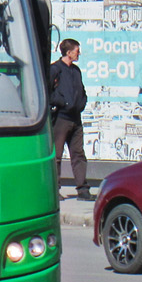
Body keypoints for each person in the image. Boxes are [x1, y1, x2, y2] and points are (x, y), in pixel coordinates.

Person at [49, 38, 91, 200]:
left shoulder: (76, 71)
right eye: (77, 50)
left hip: (76, 119)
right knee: (57, 155)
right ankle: (54, 190)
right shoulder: (55, 69)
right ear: (68, 52)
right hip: (61, 119)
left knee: (78, 154)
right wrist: (63, 103)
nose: (79, 53)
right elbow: (48, 92)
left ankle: (83, 190)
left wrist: (81, 103)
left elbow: (82, 91)